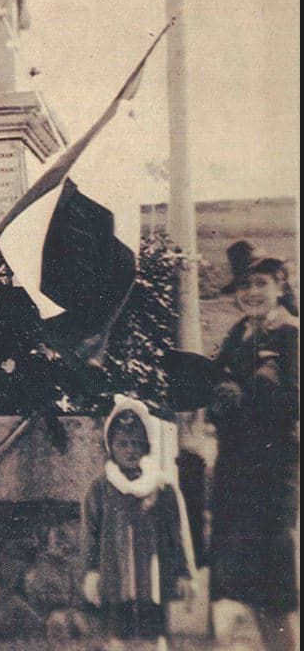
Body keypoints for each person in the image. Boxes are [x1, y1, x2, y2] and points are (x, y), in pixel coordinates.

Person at [207, 241, 299, 651]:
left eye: (260, 283)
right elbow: (213, 391)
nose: (252, 293)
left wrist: (239, 392)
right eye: (244, 285)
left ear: (280, 285)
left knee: (273, 586)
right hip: (235, 471)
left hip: (272, 472)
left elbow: (288, 399)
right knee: (248, 584)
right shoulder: (238, 333)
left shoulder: (291, 335)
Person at [81, 395, 194, 649]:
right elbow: (90, 533)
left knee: (152, 637)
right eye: (123, 444)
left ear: (146, 447)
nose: (130, 450)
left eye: (136, 443)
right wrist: (91, 571)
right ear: (111, 447)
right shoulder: (101, 488)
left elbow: (178, 533)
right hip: (115, 578)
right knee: (118, 638)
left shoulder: (161, 487)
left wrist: (183, 572)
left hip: (153, 579)